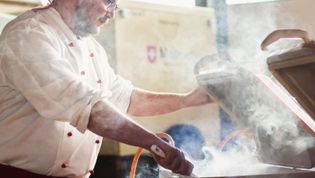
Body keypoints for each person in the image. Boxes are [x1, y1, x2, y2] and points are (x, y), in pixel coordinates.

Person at [0, 0, 211, 177]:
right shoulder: (28, 35)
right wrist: (155, 144)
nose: (112, 13)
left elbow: (128, 99)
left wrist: (189, 100)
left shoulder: (92, 49)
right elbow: (91, 110)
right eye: (109, 1)